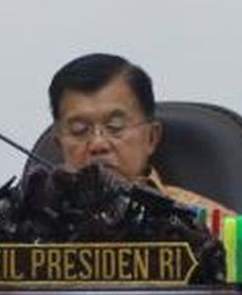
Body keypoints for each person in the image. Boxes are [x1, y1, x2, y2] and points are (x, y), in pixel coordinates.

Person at [48, 53, 229, 213]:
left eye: (115, 126)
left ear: (151, 138)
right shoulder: (32, 228)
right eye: (80, 130)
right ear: (59, 143)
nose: (98, 144)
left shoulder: (205, 224)